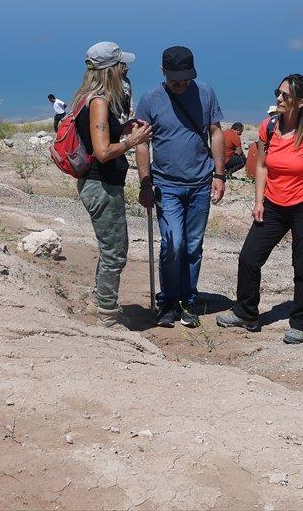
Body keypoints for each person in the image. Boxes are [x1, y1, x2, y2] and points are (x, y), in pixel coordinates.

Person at [216, 75, 303, 344]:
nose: (278, 99)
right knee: (249, 258)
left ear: (300, 102)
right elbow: (262, 166)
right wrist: (259, 202)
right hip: (273, 204)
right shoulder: (268, 127)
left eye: (284, 96)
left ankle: (300, 322)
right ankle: (246, 312)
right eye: (277, 93)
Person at [134, 45, 226, 328]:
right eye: (176, 79)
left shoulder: (206, 93)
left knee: (193, 245)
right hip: (166, 185)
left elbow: (216, 132)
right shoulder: (150, 99)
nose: (182, 84)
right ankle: (168, 300)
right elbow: (141, 143)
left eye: (186, 78)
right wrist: (145, 183)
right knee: (173, 243)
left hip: (200, 183)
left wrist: (220, 175)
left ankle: (187, 299)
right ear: (163, 72)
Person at [70, 42, 153, 330]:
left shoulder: (88, 98)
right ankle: (106, 314)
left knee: (111, 249)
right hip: (101, 185)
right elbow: (103, 151)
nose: (126, 70)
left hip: (99, 184)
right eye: (122, 66)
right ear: (111, 70)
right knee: (115, 251)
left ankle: (104, 303)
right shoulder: (99, 102)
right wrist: (133, 141)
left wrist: (125, 129)